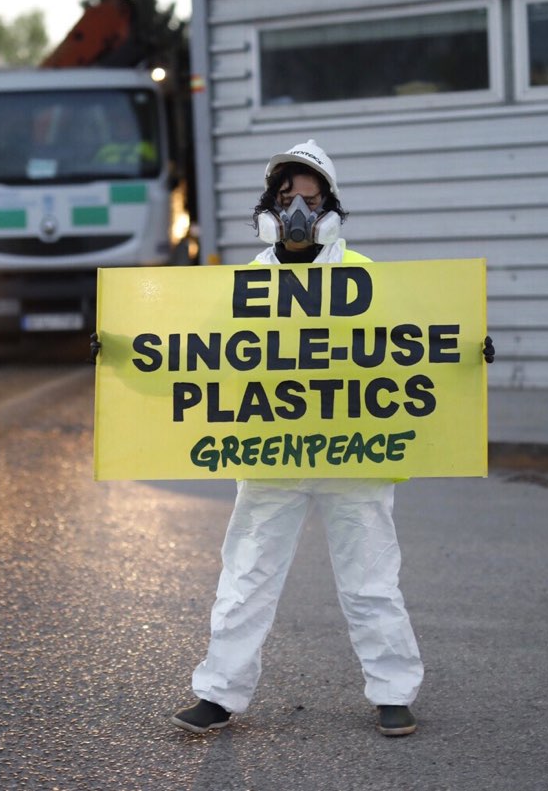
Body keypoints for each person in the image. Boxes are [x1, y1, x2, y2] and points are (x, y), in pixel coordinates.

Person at [169, 139, 467, 739]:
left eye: (309, 198)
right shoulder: (248, 282)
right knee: (246, 579)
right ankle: (219, 695)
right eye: (285, 198)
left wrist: (467, 352)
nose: (297, 211)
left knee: (371, 581)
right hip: (272, 456)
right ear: (268, 208)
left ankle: (393, 693)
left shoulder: (363, 277)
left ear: (330, 207)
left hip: (352, 457)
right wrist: (121, 355)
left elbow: (410, 348)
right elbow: (195, 356)